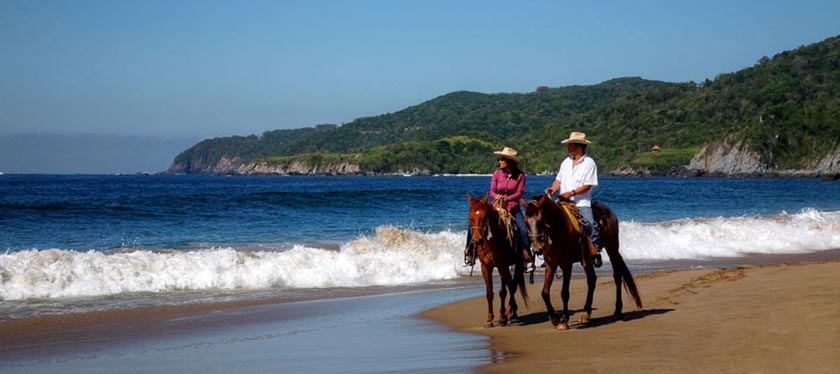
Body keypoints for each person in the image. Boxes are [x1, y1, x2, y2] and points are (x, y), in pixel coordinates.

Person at [465, 147, 535, 273]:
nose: (499, 162)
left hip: (512, 207)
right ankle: (470, 252)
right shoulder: (497, 174)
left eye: (502, 159)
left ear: (508, 161)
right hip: (496, 206)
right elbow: (491, 190)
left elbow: (519, 193)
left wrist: (507, 199)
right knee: (474, 224)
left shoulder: (520, 176)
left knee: (523, 229)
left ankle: (527, 257)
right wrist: (497, 197)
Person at [544, 132, 603, 267]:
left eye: (570, 145)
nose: (568, 147)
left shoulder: (589, 163)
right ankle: (550, 252)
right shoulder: (565, 162)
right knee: (547, 223)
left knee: (589, 224)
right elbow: (558, 180)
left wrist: (572, 192)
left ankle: (596, 250)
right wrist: (552, 189)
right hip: (562, 202)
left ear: (579, 146)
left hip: (581, 202)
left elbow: (588, 185)